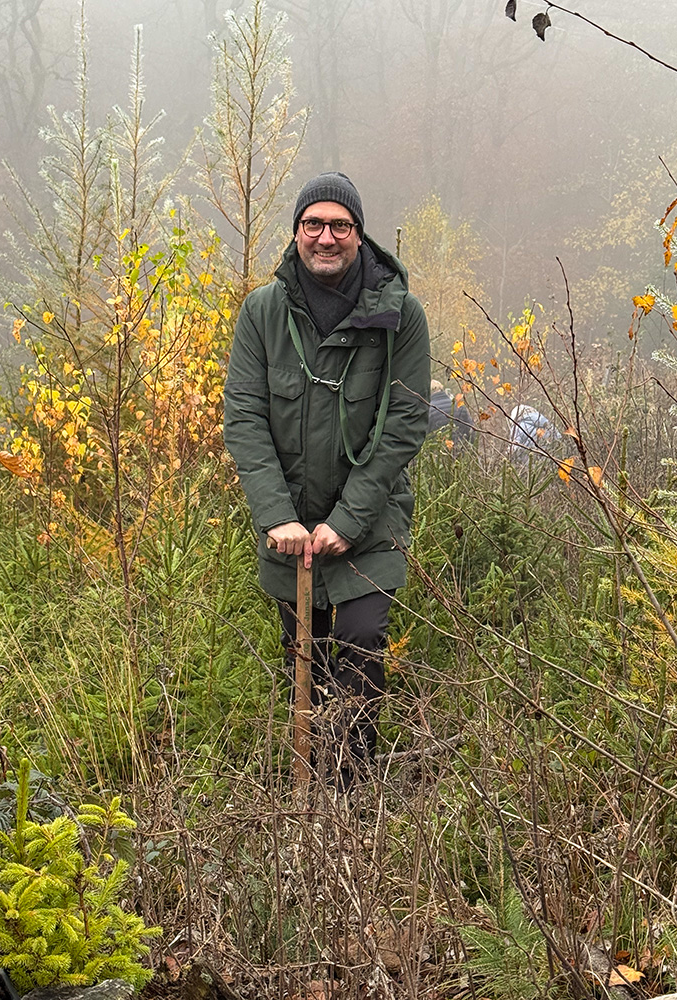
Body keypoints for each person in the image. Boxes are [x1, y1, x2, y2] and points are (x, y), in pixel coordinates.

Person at [223, 171, 430, 787]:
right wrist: (276, 515)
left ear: (360, 235)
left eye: (341, 225)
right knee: (303, 659)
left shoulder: (400, 316)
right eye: (313, 223)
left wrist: (347, 520)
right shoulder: (262, 312)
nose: (326, 237)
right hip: (288, 523)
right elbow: (245, 418)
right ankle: (305, 798)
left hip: (370, 519)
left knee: (362, 646)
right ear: (296, 232)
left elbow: (405, 423)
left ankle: (350, 795)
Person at [426, 379, 475, 452]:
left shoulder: (428, 411)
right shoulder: (459, 405)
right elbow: (471, 429)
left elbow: (425, 435)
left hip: (438, 453)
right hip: (460, 450)